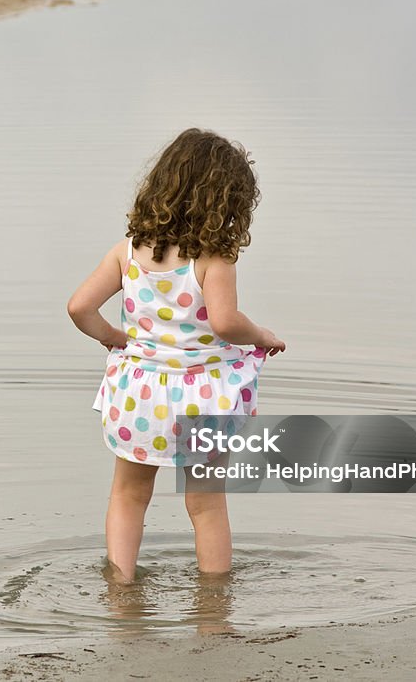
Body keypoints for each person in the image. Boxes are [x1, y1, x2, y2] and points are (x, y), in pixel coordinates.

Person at [67, 128, 286, 584]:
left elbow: (79, 307)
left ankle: (121, 590)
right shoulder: (213, 260)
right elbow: (225, 323)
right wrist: (261, 333)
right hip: (201, 397)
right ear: (226, 202)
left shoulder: (126, 253)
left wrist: (114, 338)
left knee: (128, 496)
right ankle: (213, 606)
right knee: (206, 502)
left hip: (139, 394)